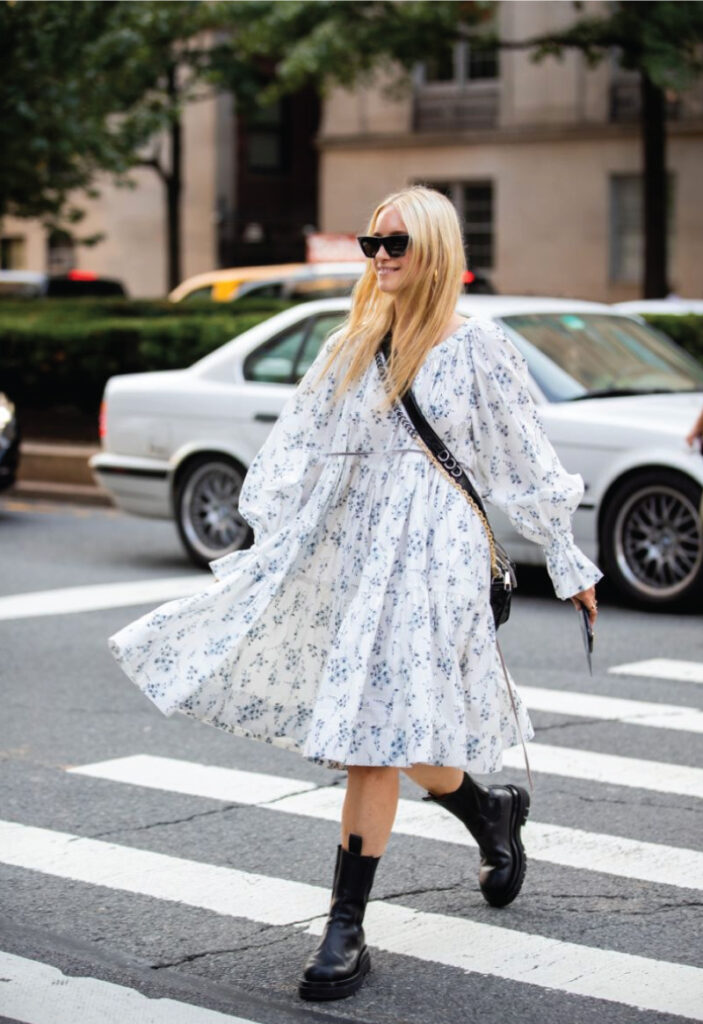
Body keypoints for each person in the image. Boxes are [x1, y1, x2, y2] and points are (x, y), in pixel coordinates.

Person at [109, 186, 601, 1002]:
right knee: (390, 725)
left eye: (395, 241)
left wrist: (567, 559)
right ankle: (489, 813)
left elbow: (525, 461)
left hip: (435, 559)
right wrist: (276, 543)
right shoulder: (349, 342)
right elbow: (300, 445)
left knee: (376, 734)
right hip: (362, 552)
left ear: (435, 246)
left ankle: (345, 927)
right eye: (372, 241)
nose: (379, 255)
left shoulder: (479, 349)